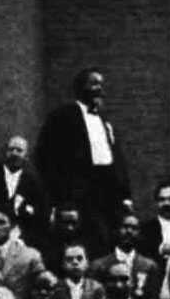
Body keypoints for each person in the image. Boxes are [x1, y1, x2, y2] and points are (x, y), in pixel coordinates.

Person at [35, 69, 128, 226]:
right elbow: (45, 156)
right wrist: (61, 196)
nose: (99, 88)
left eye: (101, 84)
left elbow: (116, 157)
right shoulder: (62, 116)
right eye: (94, 83)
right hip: (78, 190)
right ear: (80, 87)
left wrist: (124, 194)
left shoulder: (104, 119)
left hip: (107, 188)